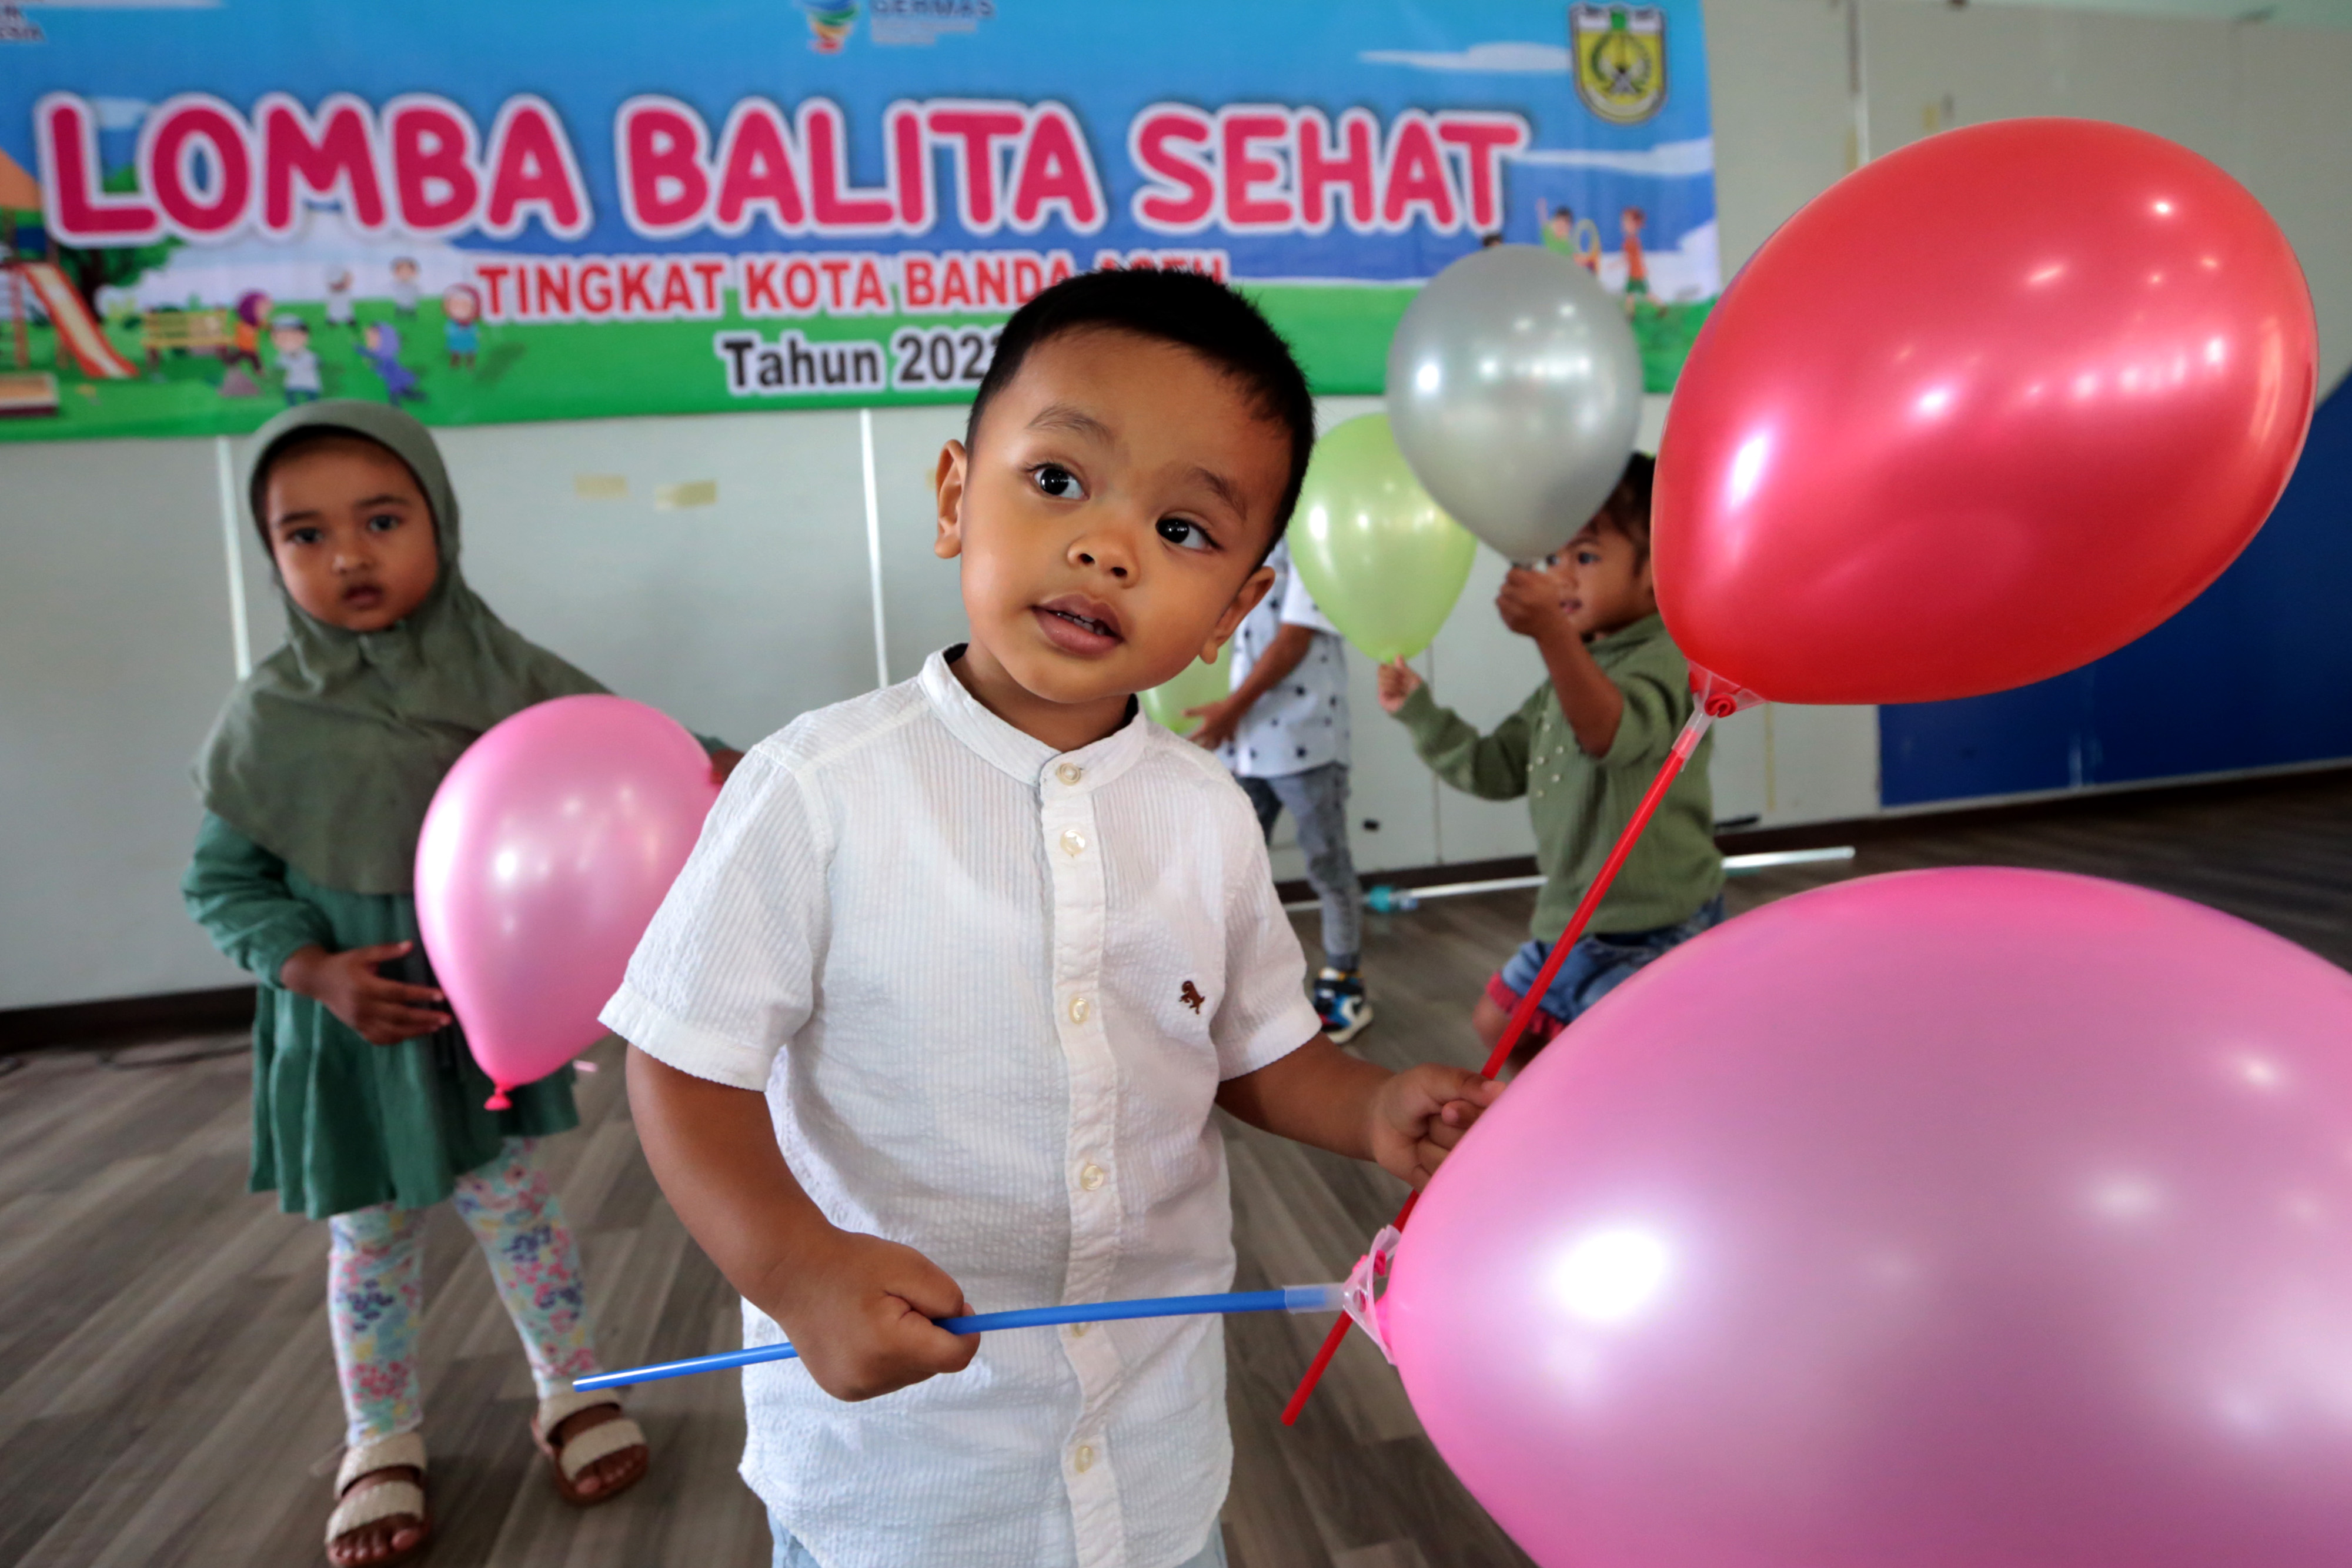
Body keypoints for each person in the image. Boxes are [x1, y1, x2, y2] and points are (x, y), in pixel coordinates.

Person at [606, 270, 1499, 1568]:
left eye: (1183, 529)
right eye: (1058, 480)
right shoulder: (815, 788)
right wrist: (795, 1268)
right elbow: (685, 1065)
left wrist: (1367, 1110)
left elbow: (1251, 1048)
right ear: (954, 496)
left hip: (1150, 1465)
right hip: (900, 1482)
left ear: (1234, 611)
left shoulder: (1207, 813)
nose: (1108, 546)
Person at [182, 401, 743, 1568]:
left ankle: (572, 1388)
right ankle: (380, 1436)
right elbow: (221, 883)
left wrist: (733, 769)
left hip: (479, 1022)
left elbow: (620, 741)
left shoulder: (504, 671)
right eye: (305, 534)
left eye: (382, 520)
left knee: (520, 1213)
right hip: (355, 1037)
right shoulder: (265, 719)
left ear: (439, 521)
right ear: (270, 554)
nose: (348, 555)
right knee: (372, 1241)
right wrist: (312, 969)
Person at [1378, 454, 1722, 1072]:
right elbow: (1494, 768)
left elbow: (1612, 733)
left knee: (1631, 1067)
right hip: (1572, 923)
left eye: (1584, 557)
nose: (1561, 575)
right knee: (1497, 1024)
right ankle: (1563, 1119)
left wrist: (1552, 637)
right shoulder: (1564, 681)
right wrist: (1420, 712)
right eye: (1554, 557)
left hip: (1652, 929)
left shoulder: (1671, 660)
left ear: (1659, 570)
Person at [1183, 538, 1370, 1042]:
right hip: (1243, 746)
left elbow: (1294, 640)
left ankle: (1344, 982)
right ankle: (1243, 993)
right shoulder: (1242, 541)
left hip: (1304, 741)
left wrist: (1230, 709)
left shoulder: (1312, 542)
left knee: (1328, 866)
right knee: (1235, 873)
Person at [270, 313, 322, 405]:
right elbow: (279, 367)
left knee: (312, 403)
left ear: (305, 337)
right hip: (292, 383)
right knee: (291, 399)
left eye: (294, 337)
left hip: (310, 383)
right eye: (282, 338)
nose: (289, 341)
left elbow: (316, 363)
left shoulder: (309, 355)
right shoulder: (282, 356)